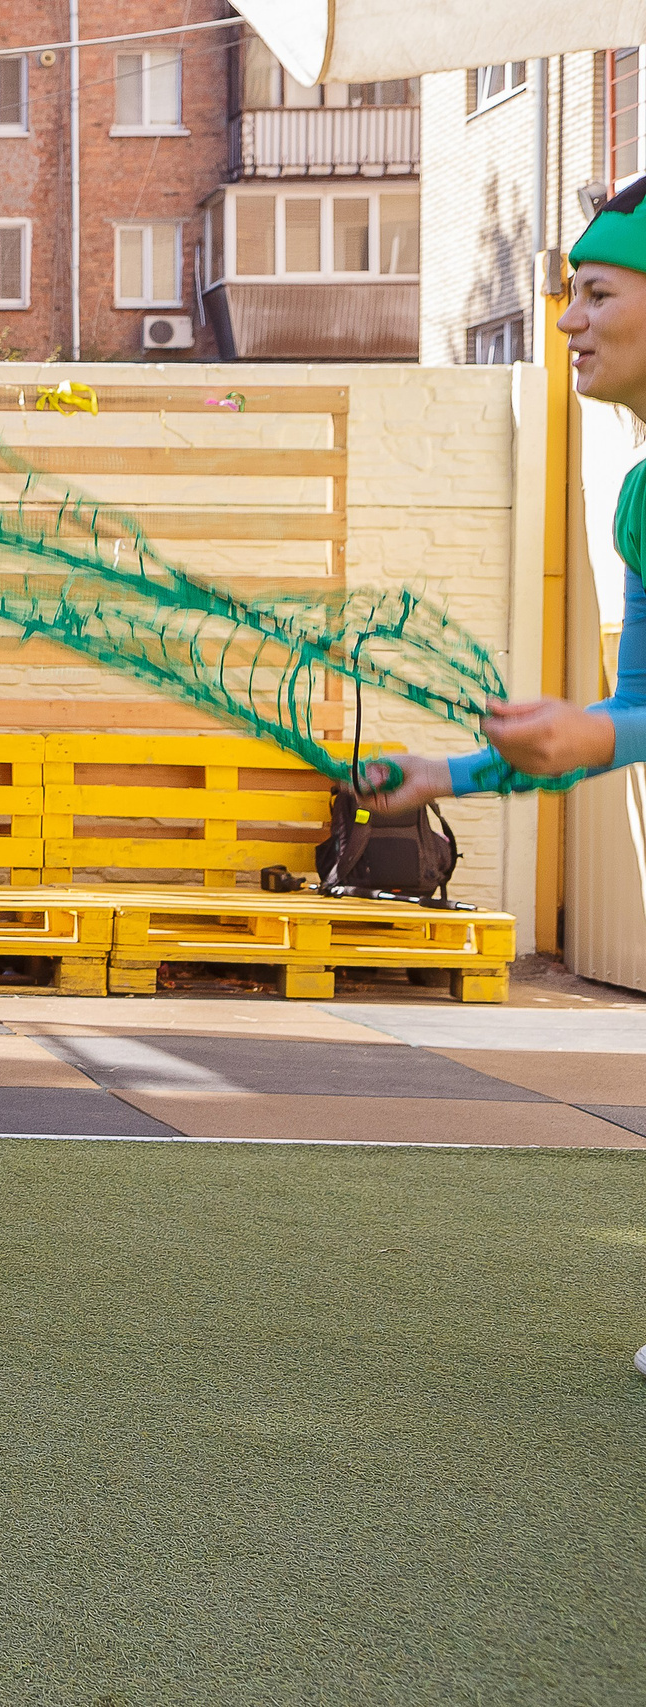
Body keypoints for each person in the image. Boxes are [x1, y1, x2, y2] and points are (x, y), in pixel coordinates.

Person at [356, 185, 646, 1376]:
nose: (568, 320)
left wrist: (593, 734)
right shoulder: (639, 494)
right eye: (567, 292)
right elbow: (623, 718)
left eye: (598, 293)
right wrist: (456, 769)